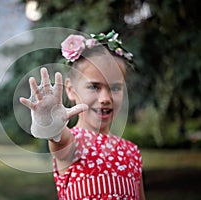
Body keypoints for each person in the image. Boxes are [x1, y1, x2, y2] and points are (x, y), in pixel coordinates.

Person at [20, 30, 146, 200]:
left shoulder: (132, 151)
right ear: (71, 90)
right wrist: (49, 121)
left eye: (115, 88)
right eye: (94, 87)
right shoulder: (72, 143)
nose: (105, 99)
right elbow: (58, 139)